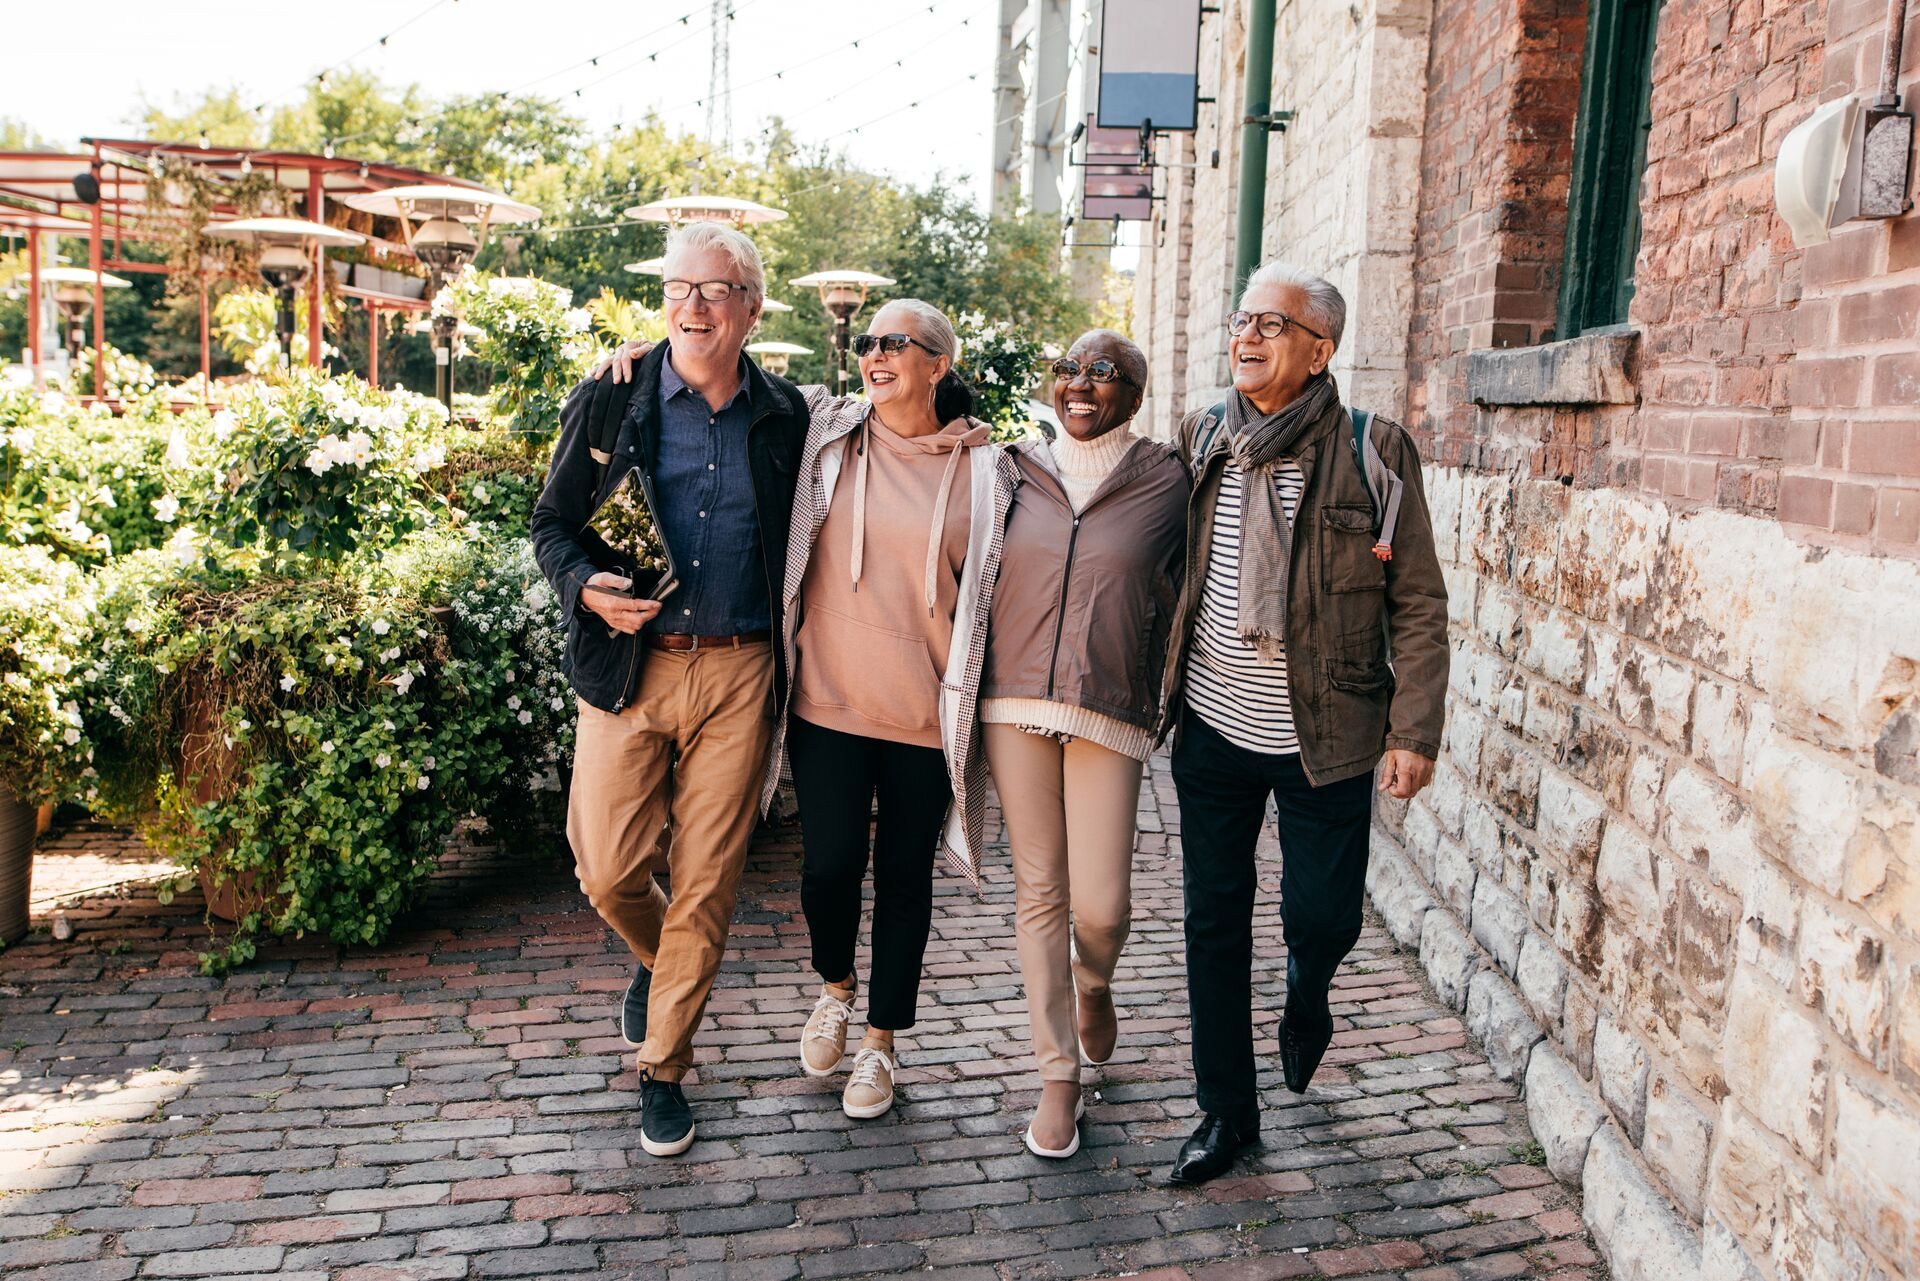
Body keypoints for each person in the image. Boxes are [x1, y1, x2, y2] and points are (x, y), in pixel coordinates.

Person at [597, 299, 1014, 1122]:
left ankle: (882, 1043)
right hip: (825, 703)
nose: (876, 354)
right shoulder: (825, 429)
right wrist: (649, 357)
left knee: (903, 883)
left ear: (939, 362)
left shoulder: (990, 471)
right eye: (869, 342)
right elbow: (728, 377)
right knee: (825, 872)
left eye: (898, 343)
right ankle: (835, 989)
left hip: (924, 718)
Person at [1160, 262, 1449, 1185]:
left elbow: (1418, 601)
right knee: (1214, 917)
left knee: (1320, 914)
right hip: (1213, 724)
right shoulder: (1204, 436)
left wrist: (1415, 728)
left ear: (1319, 349)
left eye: (1271, 325)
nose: (1245, 337)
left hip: (1327, 734)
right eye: (1241, 318)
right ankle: (1225, 1113)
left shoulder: (1374, 447)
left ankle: (1307, 986)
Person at [529, 222, 809, 1160]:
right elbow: (552, 525)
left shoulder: (789, 417)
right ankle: (659, 963)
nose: (692, 305)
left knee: (707, 880)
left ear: (751, 309)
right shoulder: (612, 400)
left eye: (715, 290)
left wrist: (960, 417)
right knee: (604, 866)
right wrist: (585, 590)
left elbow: (896, 426)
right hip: (629, 667)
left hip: (740, 667)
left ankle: (664, 1067)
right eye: (680, 288)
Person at [974, 330, 1189, 1158]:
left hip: (1111, 705)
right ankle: (1057, 1077)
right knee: (1041, 893)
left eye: (1106, 373)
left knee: (1102, 906)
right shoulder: (1009, 469)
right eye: (1068, 368)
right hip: (1014, 699)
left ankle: (1094, 980)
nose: (1081, 384)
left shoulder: (1171, 475)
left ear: (1136, 394)